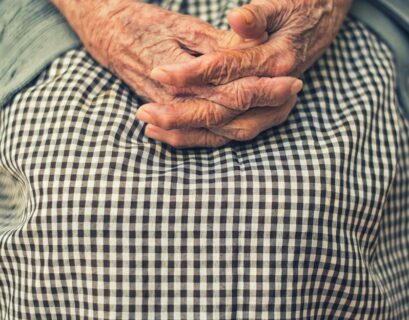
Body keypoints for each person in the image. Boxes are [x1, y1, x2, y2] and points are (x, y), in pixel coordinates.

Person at [0, 0, 408, 318]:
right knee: (76, 208)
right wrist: (106, 16)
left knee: (305, 217)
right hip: (66, 15)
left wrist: (323, 7)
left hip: (339, 14)